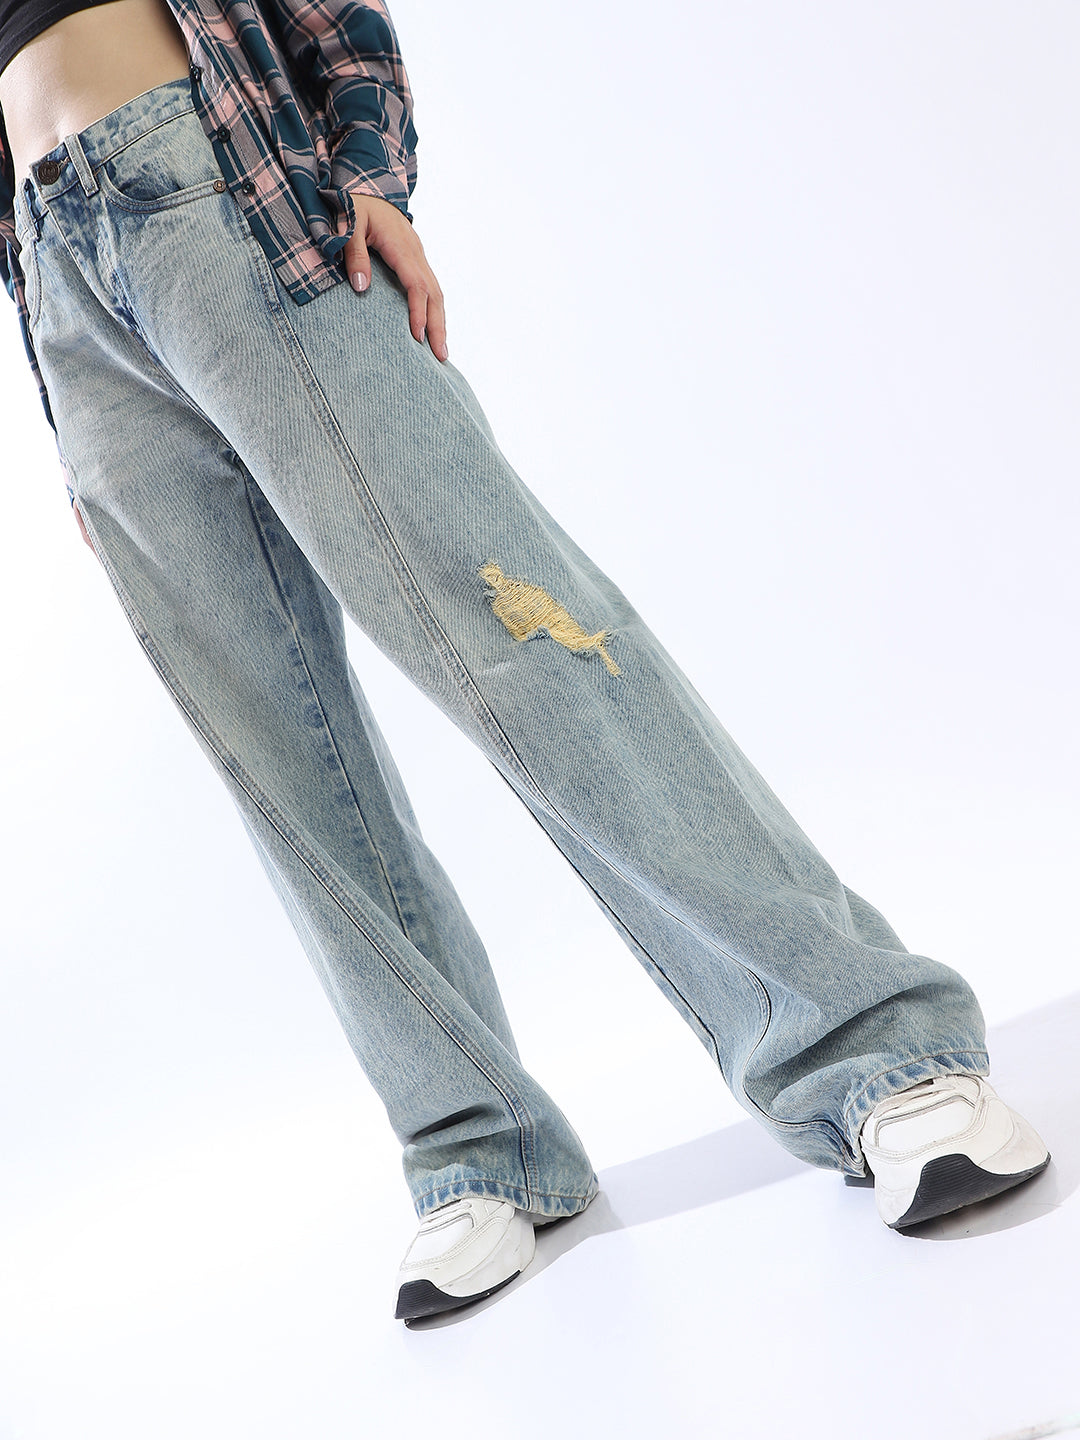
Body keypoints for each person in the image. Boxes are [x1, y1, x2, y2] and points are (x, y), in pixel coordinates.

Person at [0, 0, 1051, 1326]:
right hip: (57, 282)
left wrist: (370, 177)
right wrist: (61, 393)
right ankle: (473, 1148)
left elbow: (337, 14)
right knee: (270, 752)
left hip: (225, 187)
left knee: (518, 633)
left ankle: (878, 1053)